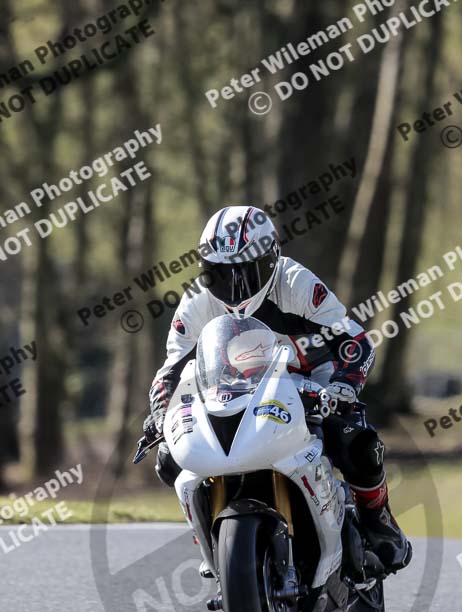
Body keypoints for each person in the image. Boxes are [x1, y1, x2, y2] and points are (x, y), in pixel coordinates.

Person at [143, 206, 411, 572]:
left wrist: (343, 388)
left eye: (245, 272)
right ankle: (211, 538)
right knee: (169, 459)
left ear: (271, 260)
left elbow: (355, 343)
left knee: (355, 441)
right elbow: (170, 370)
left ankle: (378, 520)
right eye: (219, 273)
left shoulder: (296, 284)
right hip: (235, 387)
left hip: (311, 376)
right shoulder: (196, 302)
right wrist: (160, 413)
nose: (233, 285)